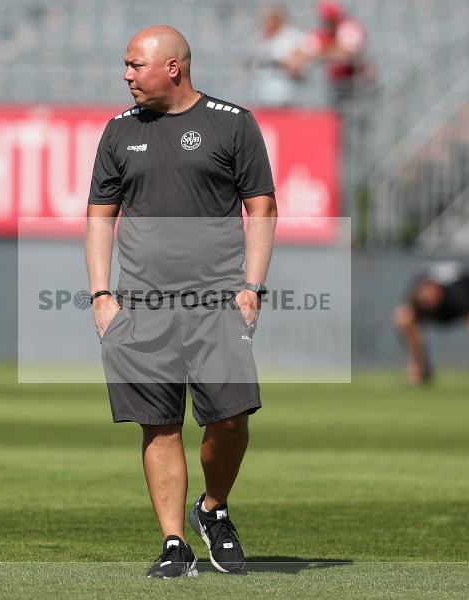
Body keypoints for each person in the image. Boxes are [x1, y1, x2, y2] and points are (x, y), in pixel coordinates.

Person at [85, 25, 277, 578]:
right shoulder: (118, 132)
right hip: (140, 304)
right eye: (125, 65)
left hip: (217, 300)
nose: (126, 76)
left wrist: (252, 286)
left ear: (172, 68)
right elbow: (100, 217)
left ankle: (212, 508)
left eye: (134, 66)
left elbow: (261, 208)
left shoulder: (233, 123)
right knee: (159, 424)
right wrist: (101, 295)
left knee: (233, 418)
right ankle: (174, 542)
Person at [392, 263, 469, 390]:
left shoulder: (462, 292)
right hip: (438, 310)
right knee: (403, 317)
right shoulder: (417, 289)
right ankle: (418, 367)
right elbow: (405, 312)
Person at [291, 1, 372, 104]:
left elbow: (347, 53)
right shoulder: (323, 34)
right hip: (337, 87)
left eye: (331, 18)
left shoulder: (349, 27)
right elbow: (302, 52)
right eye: (326, 19)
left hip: (358, 86)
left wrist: (321, 52)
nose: (328, 22)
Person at [250, 6, 306, 107]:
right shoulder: (261, 38)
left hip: (284, 94)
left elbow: (299, 65)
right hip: (263, 94)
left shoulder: (291, 36)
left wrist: (280, 62)